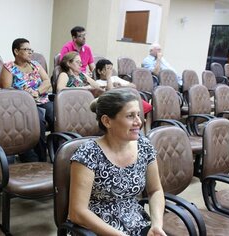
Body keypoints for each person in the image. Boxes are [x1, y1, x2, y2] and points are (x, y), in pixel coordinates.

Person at [68, 88, 166, 236]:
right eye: (130, 116)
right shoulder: (88, 154)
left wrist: (157, 225)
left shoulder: (144, 146)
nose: (139, 122)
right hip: (95, 228)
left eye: (138, 115)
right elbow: (77, 213)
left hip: (135, 223)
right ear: (107, 121)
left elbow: (155, 191)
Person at [0, 38, 53, 162]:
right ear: (16, 51)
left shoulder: (35, 64)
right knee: (38, 121)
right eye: (26, 49)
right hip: (22, 105)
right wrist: (26, 95)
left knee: (57, 115)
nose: (30, 52)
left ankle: (57, 152)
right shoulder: (9, 67)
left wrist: (37, 92)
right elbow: (6, 90)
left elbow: (47, 81)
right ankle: (40, 159)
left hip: (42, 100)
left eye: (31, 50)